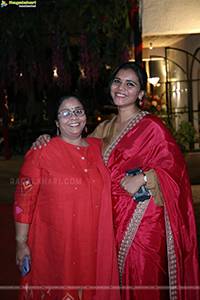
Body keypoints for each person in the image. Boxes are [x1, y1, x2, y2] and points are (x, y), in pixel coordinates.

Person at [33, 62, 200, 300]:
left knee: (143, 280)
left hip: (144, 222)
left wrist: (143, 178)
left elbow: (176, 171)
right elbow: (76, 153)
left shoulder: (152, 126)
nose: (121, 88)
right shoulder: (105, 128)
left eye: (130, 84)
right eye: (117, 81)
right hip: (109, 220)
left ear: (141, 93)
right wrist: (49, 141)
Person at [14, 93, 121, 300]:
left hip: (94, 243)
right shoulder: (42, 151)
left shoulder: (99, 148)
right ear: (56, 121)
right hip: (55, 244)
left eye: (78, 111)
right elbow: (23, 201)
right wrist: (21, 242)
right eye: (65, 113)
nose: (73, 117)